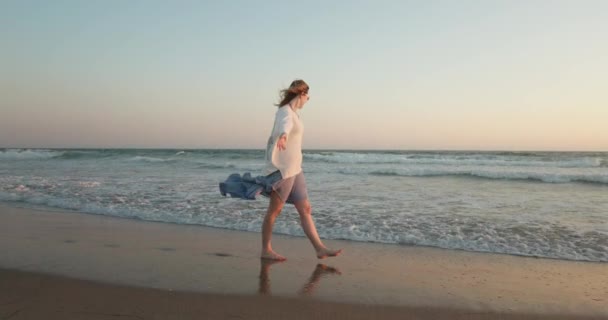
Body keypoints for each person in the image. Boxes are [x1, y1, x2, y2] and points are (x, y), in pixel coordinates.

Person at [261, 79, 342, 261]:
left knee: (305, 208)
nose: (308, 100)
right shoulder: (285, 112)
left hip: (296, 169)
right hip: (284, 170)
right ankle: (266, 249)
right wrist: (283, 136)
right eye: (308, 96)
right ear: (302, 94)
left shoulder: (295, 114)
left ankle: (319, 248)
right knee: (274, 211)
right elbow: (285, 125)